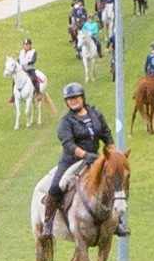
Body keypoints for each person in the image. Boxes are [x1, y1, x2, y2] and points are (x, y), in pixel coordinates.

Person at [45, 78, 114, 217]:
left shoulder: (96, 114)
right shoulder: (66, 121)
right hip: (71, 160)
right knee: (56, 187)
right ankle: (48, 221)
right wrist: (86, 155)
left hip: (95, 157)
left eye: (75, 98)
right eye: (69, 99)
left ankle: (116, 219)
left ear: (82, 97)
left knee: (114, 182)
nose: (72, 101)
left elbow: (107, 135)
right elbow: (68, 144)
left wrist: (112, 155)